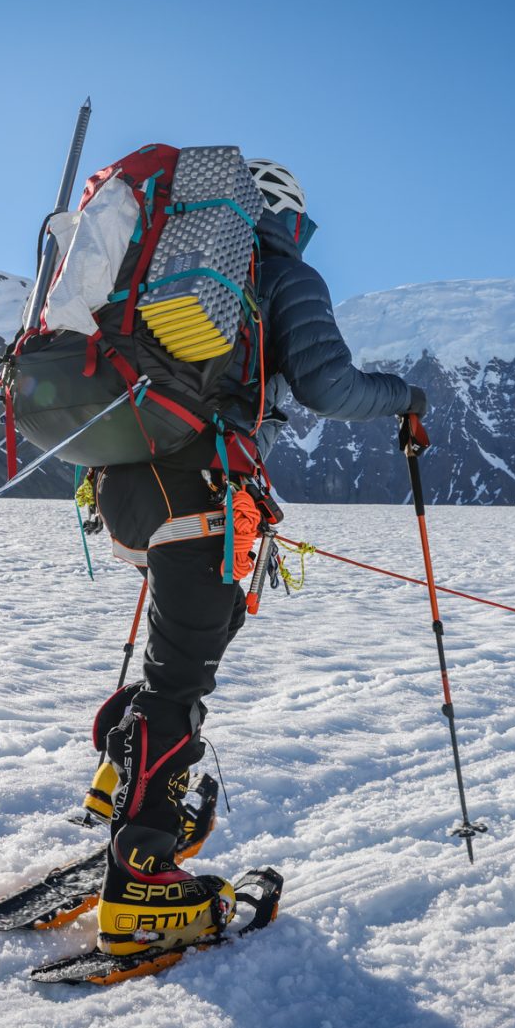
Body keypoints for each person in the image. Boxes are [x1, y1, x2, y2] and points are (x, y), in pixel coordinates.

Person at [85, 159, 429, 957]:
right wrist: (409, 400)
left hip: (124, 487)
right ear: (283, 215)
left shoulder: (150, 276)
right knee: (180, 679)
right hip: (198, 489)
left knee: (180, 646)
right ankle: (140, 883)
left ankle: (122, 792)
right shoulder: (278, 271)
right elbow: (328, 386)